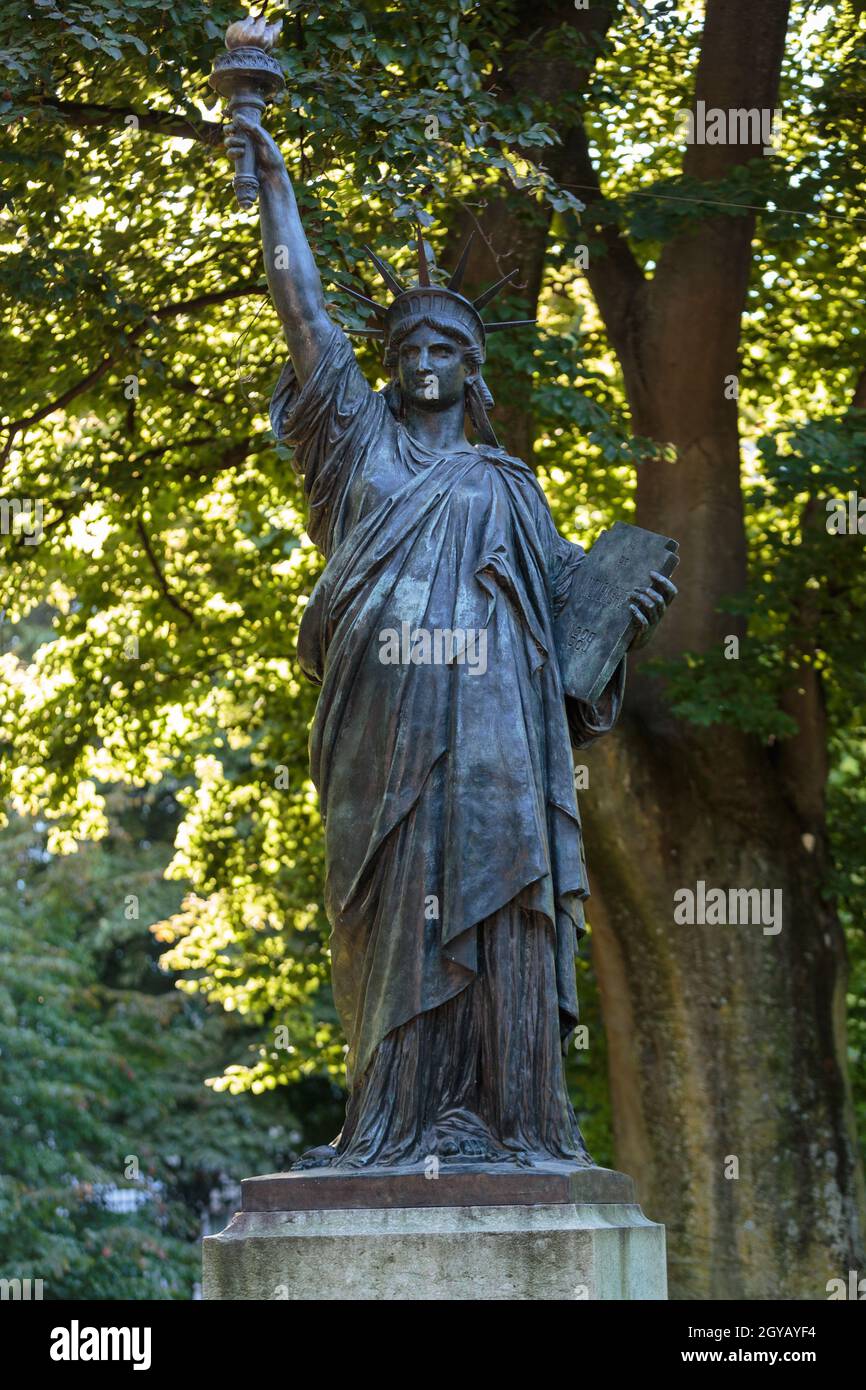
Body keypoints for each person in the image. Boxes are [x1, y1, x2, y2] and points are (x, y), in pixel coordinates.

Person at [225, 115, 676, 1169]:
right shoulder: (354, 446)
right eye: (407, 349)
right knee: (389, 923)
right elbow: (303, 314)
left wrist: (622, 616)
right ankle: (388, 1127)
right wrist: (271, 179)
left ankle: (509, 1123)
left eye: (443, 349)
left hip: (495, 742)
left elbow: (574, 615)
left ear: (470, 369)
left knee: (504, 909)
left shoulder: (506, 488)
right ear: (386, 369)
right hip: (380, 738)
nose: (422, 361)